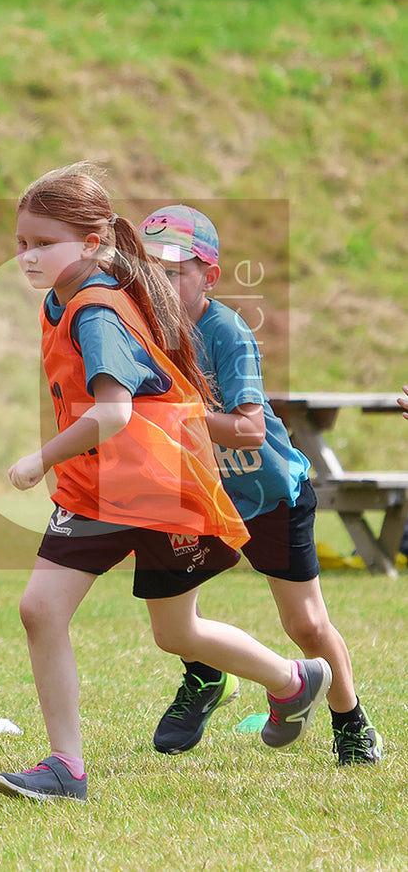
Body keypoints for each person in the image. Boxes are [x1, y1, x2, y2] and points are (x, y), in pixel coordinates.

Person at [0, 164, 333, 802]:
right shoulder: (66, 297)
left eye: (45, 242)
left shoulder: (95, 310)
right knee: (45, 610)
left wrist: (40, 458)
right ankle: (67, 767)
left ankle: (290, 679)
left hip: (153, 486)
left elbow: (115, 412)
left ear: (94, 243)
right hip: (100, 488)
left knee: (175, 631)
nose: (29, 255)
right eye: (22, 243)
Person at [140, 204, 381, 765]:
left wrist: (178, 418)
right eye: (151, 272)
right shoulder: (139, 331)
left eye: (175, 272)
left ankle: (351, 722)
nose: (160, 285)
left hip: (270, 494)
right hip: (198, 496)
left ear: (209, 277)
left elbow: (248, 430)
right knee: (172, 624)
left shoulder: (224, 331)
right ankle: (204, 676)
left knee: (306, 625)